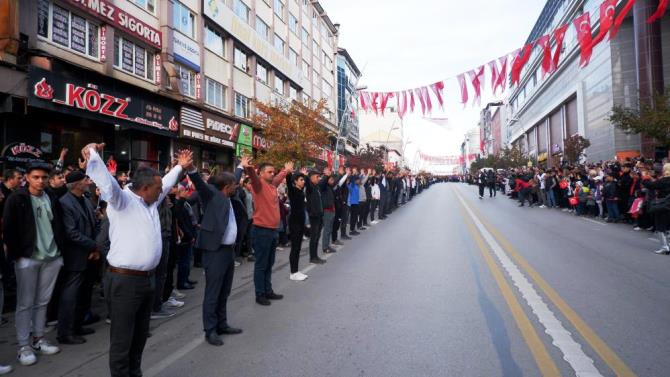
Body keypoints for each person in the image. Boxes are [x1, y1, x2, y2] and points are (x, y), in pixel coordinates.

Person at [83, 142, 192, 377]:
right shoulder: (122, 201)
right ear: (143, 188)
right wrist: (93, 154)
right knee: (123, 340)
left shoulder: (150, 200)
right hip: (125, 283)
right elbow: (107, 183)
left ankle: (135, 373)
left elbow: (168, 182)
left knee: (140, 336)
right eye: (158, 188)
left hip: (146, 281)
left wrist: (180, 167)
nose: (163, 191)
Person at [3, 162, 64, 366]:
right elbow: (9, 229)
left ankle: (38, 339)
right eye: (36, 177)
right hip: (27, 258)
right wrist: (18, 255)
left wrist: (59, 252)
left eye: (44, 177)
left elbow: (58, 224)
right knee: (25, 303)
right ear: (27, 177)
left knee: (42, 301)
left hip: (52, 257)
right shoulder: (17, 198)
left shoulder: (51, 197)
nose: (40, 181)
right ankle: (23, 346)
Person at [187, 166, 243, 346]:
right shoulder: (212, 194)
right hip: (215, 251)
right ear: (227, 186)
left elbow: (233, 178)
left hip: (228, 251)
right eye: (235, 184)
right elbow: (200, 185)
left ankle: (222, 324)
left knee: (224, 290)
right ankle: (210, 330)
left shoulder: (228, 196)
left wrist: (241, 166)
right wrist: (192, 170)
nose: (237, 186)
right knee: (213, 291)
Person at [57, 171, 100, 345]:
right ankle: (65, 332)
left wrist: (96, 245)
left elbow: (96, 223)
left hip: (90, 253)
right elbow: (71, 233)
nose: (89, 182)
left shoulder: (86, 199)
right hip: (75, 256)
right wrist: (93, 245)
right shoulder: (64, 203)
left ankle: (78, 324)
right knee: (71, 295)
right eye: (85, 180)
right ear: (75, 184)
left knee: (85, 292)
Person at [240, 156, 289, 306]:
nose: (272, 174)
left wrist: (286, 170)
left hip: (273, 231)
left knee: (269, 263)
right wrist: (248, 168)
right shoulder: (258, 184)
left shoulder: (272, 185)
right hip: (262, 231)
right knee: (261, 265)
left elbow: (278, 178)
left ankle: (268, 290)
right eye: (269, 172)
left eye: (273, 172)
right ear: (261, 174)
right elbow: (253, 178)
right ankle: (260, 294)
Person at [285, 169, 308, 281]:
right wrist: (289, 173)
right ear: (295, 182)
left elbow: (308, 184)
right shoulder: (293, 190)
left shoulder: (301, 190)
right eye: (301, 180)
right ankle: (293, 272)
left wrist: (305, 175)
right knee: (295, 248)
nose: (303, 181)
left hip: (300, 222)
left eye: (303, 179)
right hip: (294, 222)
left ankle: (296, 270)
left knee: (298, 247)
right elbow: (289, 182)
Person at [643, 163, 670, 254]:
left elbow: (651, 185)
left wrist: (645, 177)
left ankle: (665, 247)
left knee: (660, 227)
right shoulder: (662, 181)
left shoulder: (663, 180)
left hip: (663, 205)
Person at [305, 169, 327, 264]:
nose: (319, 178)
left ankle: (315, 256)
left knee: (317, 237)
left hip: (319, 215)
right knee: (314, 238)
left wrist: (327, 176)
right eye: (317, 177)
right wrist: (306, 177)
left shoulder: (317, 187)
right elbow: (307, 184)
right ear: (311, 178)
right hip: (313, 216)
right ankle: (312, 257)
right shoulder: (310, 187)